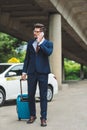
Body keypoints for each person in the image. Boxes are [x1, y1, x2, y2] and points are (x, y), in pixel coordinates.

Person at [21, 23, 53, 127]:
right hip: (31, 73)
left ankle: (43, 118)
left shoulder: (48, 43)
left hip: (43, 73)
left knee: (43, 96)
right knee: (31, 95)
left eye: (37, 31)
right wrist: (24, 72)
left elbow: (48, 53)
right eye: (34, 31)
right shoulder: (30, 43)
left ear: (42, 33)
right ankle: (32, 115)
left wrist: (40, 43)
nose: (35, 33)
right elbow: (27, 59)